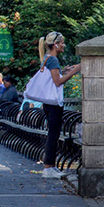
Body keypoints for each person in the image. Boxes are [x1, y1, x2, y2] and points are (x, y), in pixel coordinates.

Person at [37, 31, 80, 179]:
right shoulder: (53, 59)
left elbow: (54, 77)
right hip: (54, 103)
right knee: (53, 134)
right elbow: (57, 82)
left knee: (53, 133)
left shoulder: (47, 58)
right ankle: (48, 167)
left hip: (48, 103)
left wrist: (64, 71)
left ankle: (51, 166)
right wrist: (74, 71)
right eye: (61, 43)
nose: (63, 45)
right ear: (55, 44)